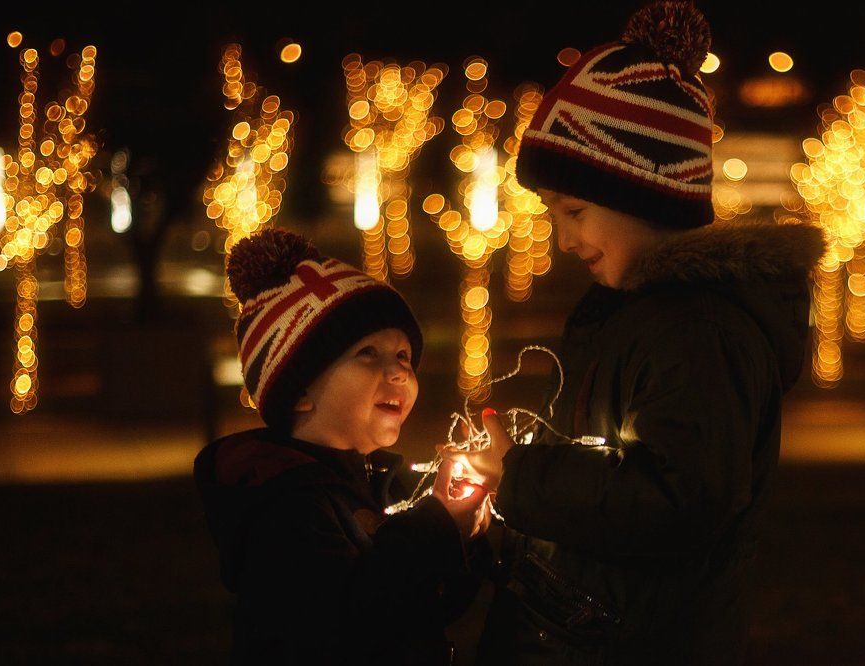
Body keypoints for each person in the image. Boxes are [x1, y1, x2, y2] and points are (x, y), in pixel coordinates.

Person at [440, 2, 827, 663]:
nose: (564, 240)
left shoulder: (700, 332)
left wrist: (522, 477)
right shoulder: (630, 316)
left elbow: (677, 502)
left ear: (644, 193)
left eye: (576, 211)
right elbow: (599, 485)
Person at [194, 228, 492, 665]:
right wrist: (436, 526)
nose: (397, 373)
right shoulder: (284, 504)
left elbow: (421, 608)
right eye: (368, 353)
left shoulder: (381, 483)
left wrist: (467, 538)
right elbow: (351, 617)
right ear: (300, 392)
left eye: (404, 356)